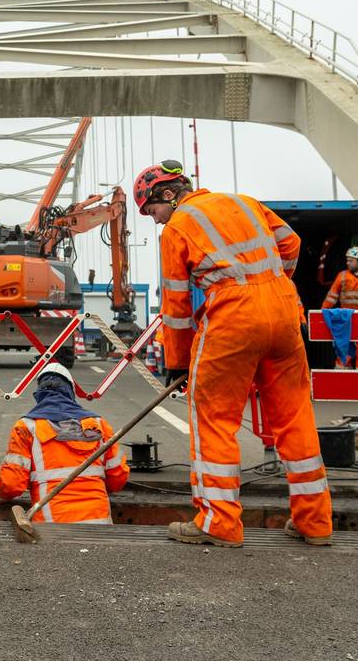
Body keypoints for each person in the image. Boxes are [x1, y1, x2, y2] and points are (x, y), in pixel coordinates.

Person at [134, 159, 332, 548]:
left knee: (213, 418)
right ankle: (315, 522)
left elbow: (174, 307)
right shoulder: (245, 202)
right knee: (294, 416)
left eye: (152, 210)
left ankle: (218, 521)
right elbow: (290, 243)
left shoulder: (177, 228)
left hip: (233, 315)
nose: (154, 220)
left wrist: (176, 362)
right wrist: (271, 283)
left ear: (169, 195)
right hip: (282, 308)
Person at [0, 363, 129, 524]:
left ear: (39, 394)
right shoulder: (98, 424)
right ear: (71, 392)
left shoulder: (27, 426)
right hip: (99, 524)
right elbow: (118, 478)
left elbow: (10, 485)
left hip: (50, 529)